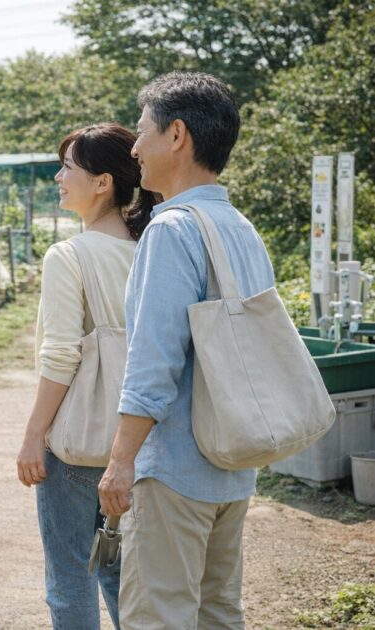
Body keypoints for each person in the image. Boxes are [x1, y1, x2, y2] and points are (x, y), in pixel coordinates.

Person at [98, 72, 275, 629]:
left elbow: (153, 363)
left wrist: (121, 462)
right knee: (218, 612)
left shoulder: (171, 229)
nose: (134, 148)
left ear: (176, 135)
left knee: (159, 616)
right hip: (232, 463)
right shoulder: (239, 226)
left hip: (174, 468)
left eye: (142, 131)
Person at [17, 123, 155, 630]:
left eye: (67, 168)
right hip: (137, 443)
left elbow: (60, 356)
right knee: (117, 570)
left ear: (102, 182)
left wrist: (34, 436)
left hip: (76, 446)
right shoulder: (152, 248)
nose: (58, 177)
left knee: (71, 575)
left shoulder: (70, 255)